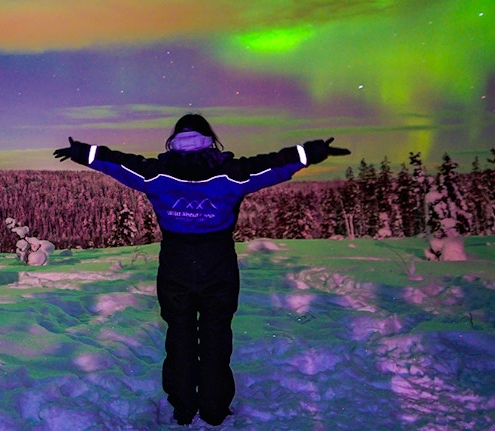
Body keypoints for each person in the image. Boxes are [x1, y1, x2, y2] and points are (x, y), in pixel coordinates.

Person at [54, 113, 349, 427]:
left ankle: (183, 407)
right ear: (209, 138)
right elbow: (273, 165)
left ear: (175, 140)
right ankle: (214, 409)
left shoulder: (156, 173)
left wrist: (83, 153)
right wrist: (311, 153)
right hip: (218, 262)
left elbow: (118, 163)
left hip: (175, 264)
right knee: (216, 335)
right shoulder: (231, 173)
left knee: (179, 335)